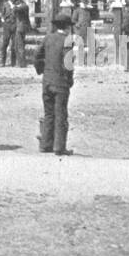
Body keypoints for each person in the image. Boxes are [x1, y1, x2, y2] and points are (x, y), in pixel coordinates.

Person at [35, 12, 75, 154]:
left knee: (49, 114)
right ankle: (59, 147)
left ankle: (46, 145)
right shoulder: (67, 41)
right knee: (61, 114)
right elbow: (68, 63)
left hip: (47, 81)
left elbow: (37, 56)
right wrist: (69, 80)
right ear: (67, 27)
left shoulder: (48, 38)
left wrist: (42, 71)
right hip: (61, 83)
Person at [6, 0, 31, 68]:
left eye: (17, 0)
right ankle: (19, 62)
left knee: (20, 46)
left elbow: (16, 10)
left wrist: (13, 6)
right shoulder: (21, 6)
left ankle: (22, 63)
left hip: (21, 28)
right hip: (19, 28)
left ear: (20, 0)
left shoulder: (24, 6)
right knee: (17, 45)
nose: (16, 2)